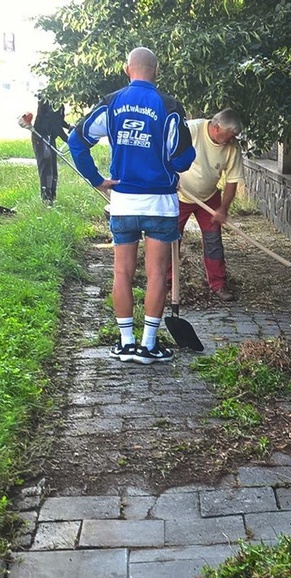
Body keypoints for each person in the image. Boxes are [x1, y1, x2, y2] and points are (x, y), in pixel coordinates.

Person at [68, 47, 195, 365]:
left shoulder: (111, 103)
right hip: (160, 204)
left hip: (123, 202)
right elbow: (181, 159)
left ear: (128, 70)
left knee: (122, 273)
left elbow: (77, 140)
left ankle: (126, 343)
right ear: (157, 70)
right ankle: (149, 345)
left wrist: (96, 179)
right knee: (156, 275)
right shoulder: (169, 106)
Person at [177, 109, 245, 301]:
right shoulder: (190, 130)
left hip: (209, 197)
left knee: (213, 241)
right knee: (171, 241)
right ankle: (167, 285)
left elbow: (232, 181)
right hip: (179, 195)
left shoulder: (232, 147)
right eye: (230, 135)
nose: (232, 140)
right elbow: (165, 152)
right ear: (216, 128)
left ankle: (218, 284)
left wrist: (223, 209)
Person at [28, 96, 71, 204]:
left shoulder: (60, 104)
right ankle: (46, 198)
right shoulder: (46, 100)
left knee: (53, 167)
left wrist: (69, 126)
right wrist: (68, 140)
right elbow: (54, 124)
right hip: (41, 137)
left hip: (50, 137)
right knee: (46, 167)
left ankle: (52, 196)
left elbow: (59, 121)